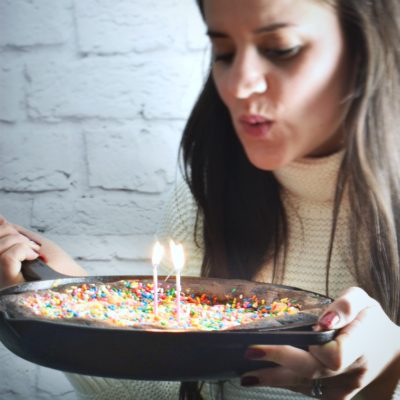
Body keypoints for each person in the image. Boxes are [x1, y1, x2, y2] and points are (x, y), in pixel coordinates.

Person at [1, 0, 400, 399]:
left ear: (367, 49)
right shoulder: (203, 200)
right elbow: (174, 389)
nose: (238, 85)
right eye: (224, 53)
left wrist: (390, 376)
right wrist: (73, 299)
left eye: (281, 49)